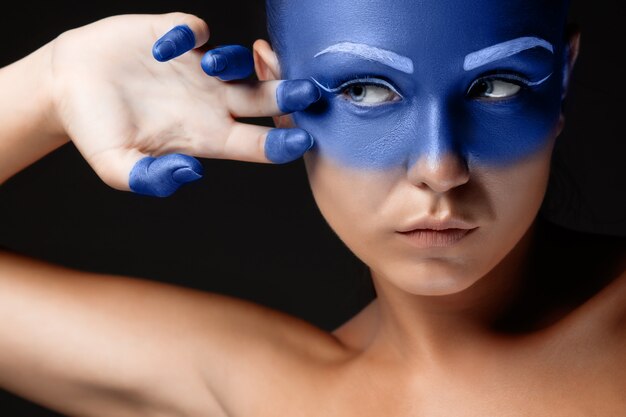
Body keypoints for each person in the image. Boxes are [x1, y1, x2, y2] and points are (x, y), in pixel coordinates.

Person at [0, 1, 624, 416]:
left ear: (560, 83)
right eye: (365, 89)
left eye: (497, 86)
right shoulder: (270, 390)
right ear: (280, 91)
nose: (439, 167)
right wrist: (49, 83)